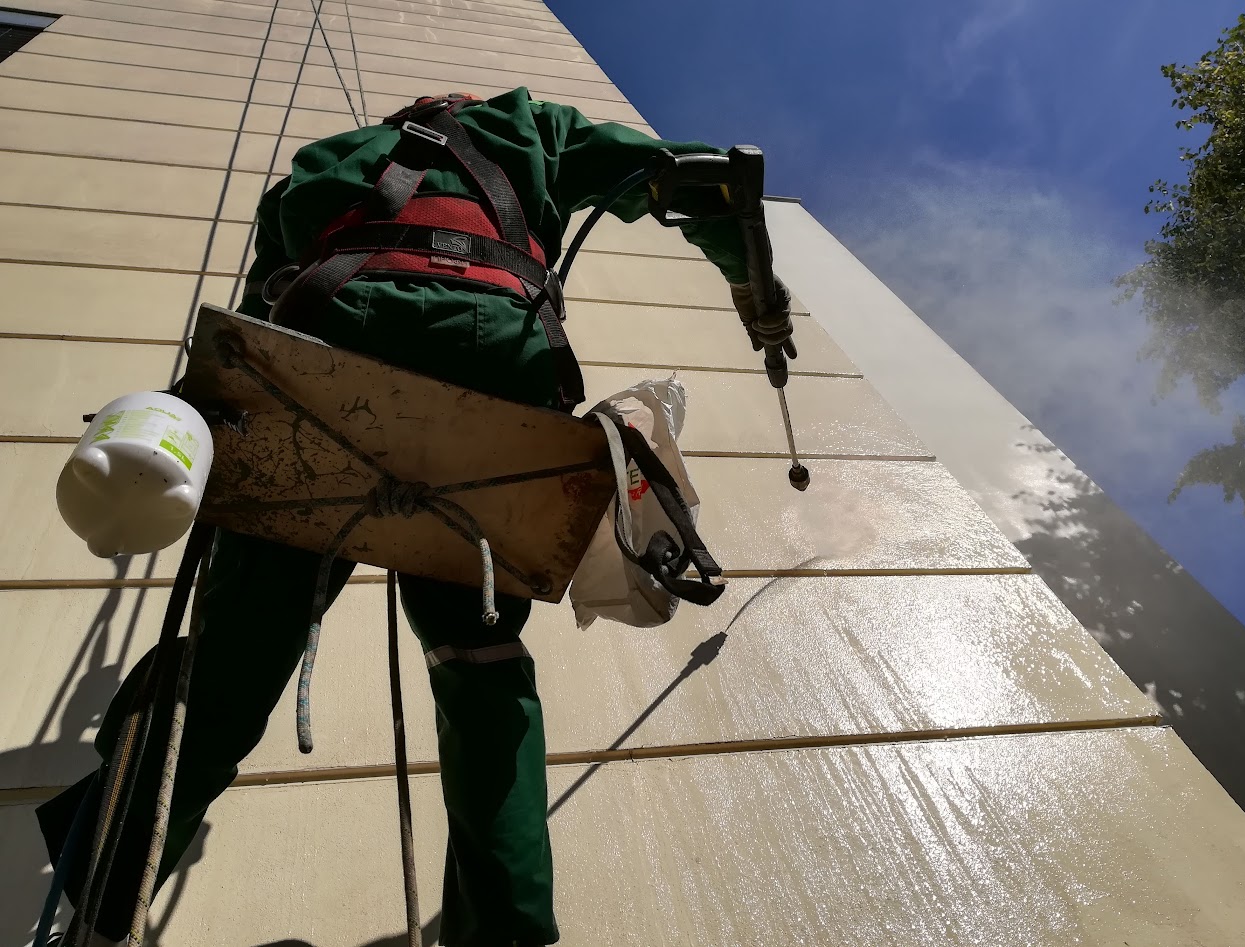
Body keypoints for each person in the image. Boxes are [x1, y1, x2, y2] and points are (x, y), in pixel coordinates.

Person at [37, 86, 794, 947]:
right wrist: (755, 290)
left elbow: (257, 321)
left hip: (329, 339)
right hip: (504, 361)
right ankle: (504, 930)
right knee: (481, 659)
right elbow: (683, 178)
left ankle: (101, 905)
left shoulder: (319, 163)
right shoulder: (530, 127)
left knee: (234, 652)